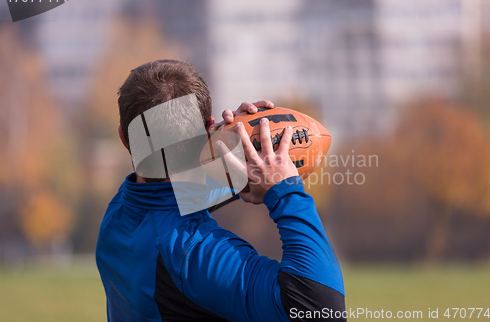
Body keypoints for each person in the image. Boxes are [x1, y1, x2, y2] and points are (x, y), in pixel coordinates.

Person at [96, 59, 346, 321]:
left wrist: (233, 154)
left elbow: (165, 202)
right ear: (208, 128)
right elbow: (322, 309)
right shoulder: (190, 257)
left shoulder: (117, 216)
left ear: (124, 138)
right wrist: (286, 192)